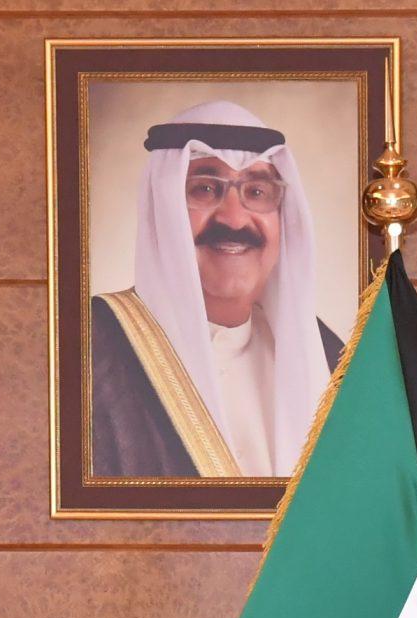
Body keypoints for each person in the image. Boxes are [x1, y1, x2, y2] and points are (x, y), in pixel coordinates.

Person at [90, 100, 343, 477]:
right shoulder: (91, 346)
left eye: (257, 192)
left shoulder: (330, 360)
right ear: (163, 208)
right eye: (205, 189)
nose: (235, 218)